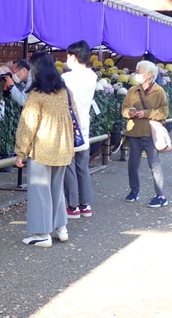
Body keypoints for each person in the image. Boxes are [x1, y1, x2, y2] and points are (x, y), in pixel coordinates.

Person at [15, 51, 76, 247]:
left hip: (42, 148)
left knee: (40, 191)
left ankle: (42, 234)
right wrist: (73, 144)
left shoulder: (36, 95)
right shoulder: (64, 91)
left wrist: (20, 152)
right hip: (64, 146)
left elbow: (27, 125)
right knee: (57, 190)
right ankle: (60, 228)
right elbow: (75, 118)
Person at [121, 60, 169, 208]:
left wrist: (147, 113)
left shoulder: (159, 91)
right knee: (132, 164)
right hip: (134, 132)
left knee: (154, 165)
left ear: (149, 75)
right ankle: (134, 191)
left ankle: (161, 195)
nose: (136, 74)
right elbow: (123, 109)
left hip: (150, 133)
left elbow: (164, 111)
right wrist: (129, 113)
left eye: (139, 72)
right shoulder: (132, 91)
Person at [61, 40, 97, 219]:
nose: (67, 59)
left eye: (68, 56)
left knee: (69, 166)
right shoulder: (92, 76)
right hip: (84, 124)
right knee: (83, 166)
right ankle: (86, 204)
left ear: (74, 57)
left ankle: (72, 206)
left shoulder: (67, 78)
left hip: (69, 124)